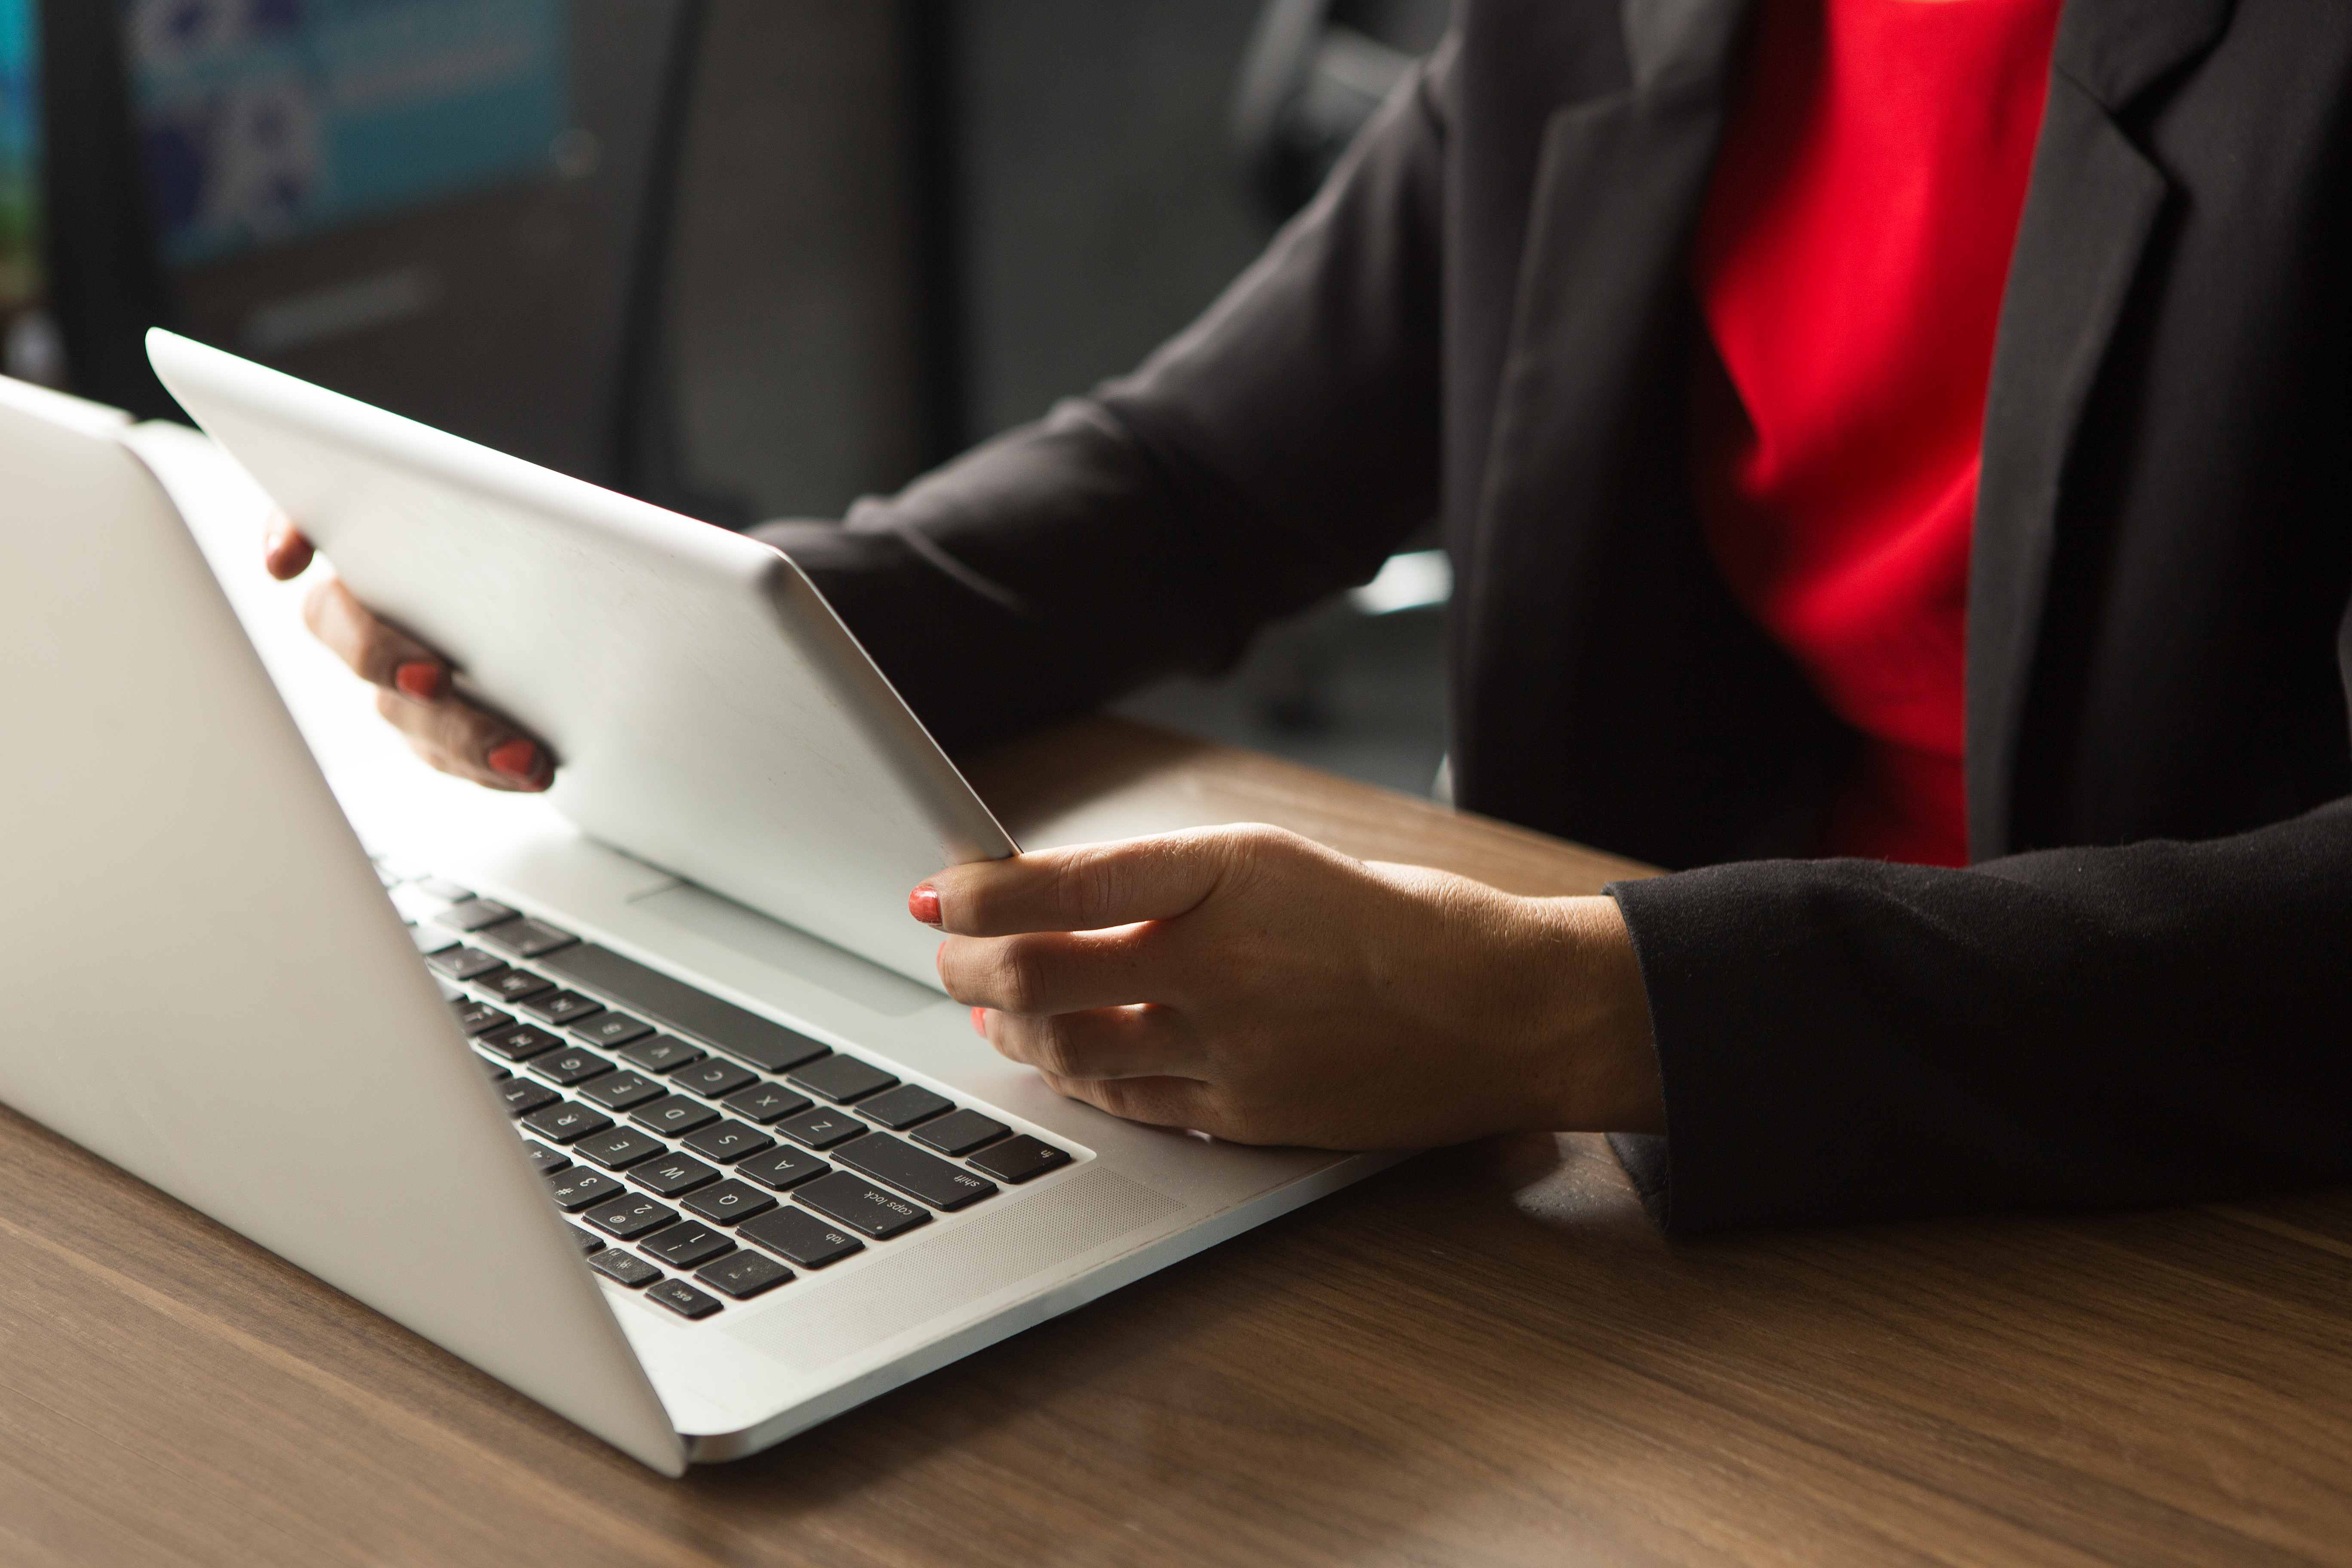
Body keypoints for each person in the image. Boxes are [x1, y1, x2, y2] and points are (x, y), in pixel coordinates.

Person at [264, 0, 2352, 1233]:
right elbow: (1214, 472)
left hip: (2165, 1188)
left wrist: (1560, 1005)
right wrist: (650, 617)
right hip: (1681, 1189)